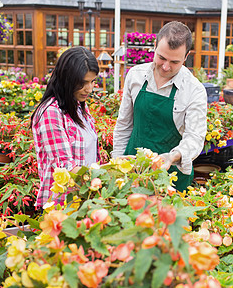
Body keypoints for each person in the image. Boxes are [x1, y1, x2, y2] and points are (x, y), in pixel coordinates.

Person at [112, 21, 207, 192]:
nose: (165, 66)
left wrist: (171, 157)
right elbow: (124, 125)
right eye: (161, 57)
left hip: (171, 175)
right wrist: (117, 163)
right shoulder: (135, 76)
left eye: (174, 62)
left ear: (186, 57)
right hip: (133, 168)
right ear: (155, 47)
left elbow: (195, 138)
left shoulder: (194, 90)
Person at [31, 46, 100, 208]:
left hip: (83, 199)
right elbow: (66, 168)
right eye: (83, 83)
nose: (89, 89)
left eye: (92, 81)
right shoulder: (51, 112)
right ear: (66, 80)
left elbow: (89, 159)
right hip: (62, 205)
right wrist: (109, 173)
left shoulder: (78, 105)